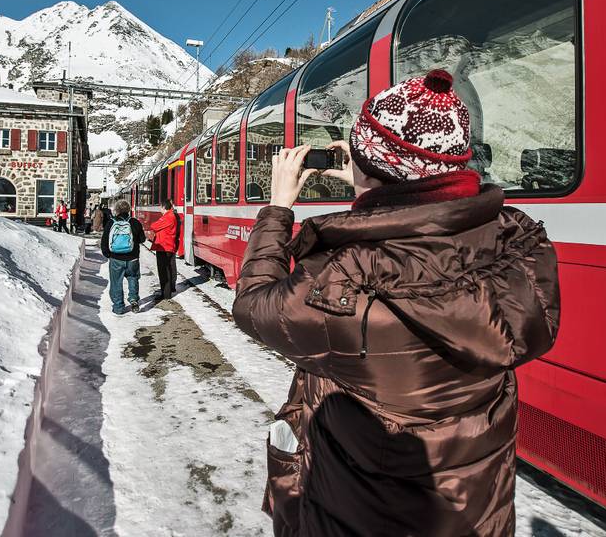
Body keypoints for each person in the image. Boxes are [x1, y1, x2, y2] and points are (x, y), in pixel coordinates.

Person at [231, 70, 560, 536]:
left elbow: (254, 305)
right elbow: (420, 232)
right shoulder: (514, 243)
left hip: (362, 514)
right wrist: (377, 186)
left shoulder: (347, 280)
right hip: (474, 512)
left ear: (377, 168)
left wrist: (278, 209)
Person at [101, 199, 146, 315]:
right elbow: (142, 239)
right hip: (133, 258)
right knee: (133, 278)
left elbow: (105, 240)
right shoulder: (134, 222)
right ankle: (134, 299)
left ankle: (118, 307)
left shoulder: (111, 223)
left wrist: (107, 254)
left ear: (116, 210)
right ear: (128, 210)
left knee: (116, 282)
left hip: (116, 259)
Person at [147, 199, 179, 301]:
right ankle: (167, 291)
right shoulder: (170, 216)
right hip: (167, 246)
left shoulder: (168, 217)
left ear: (164, 207)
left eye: (160, 207)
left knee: (163, 271)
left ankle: (165, 294)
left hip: (164, 247)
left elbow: (154, 226)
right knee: (167, 269)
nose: (160, 209)